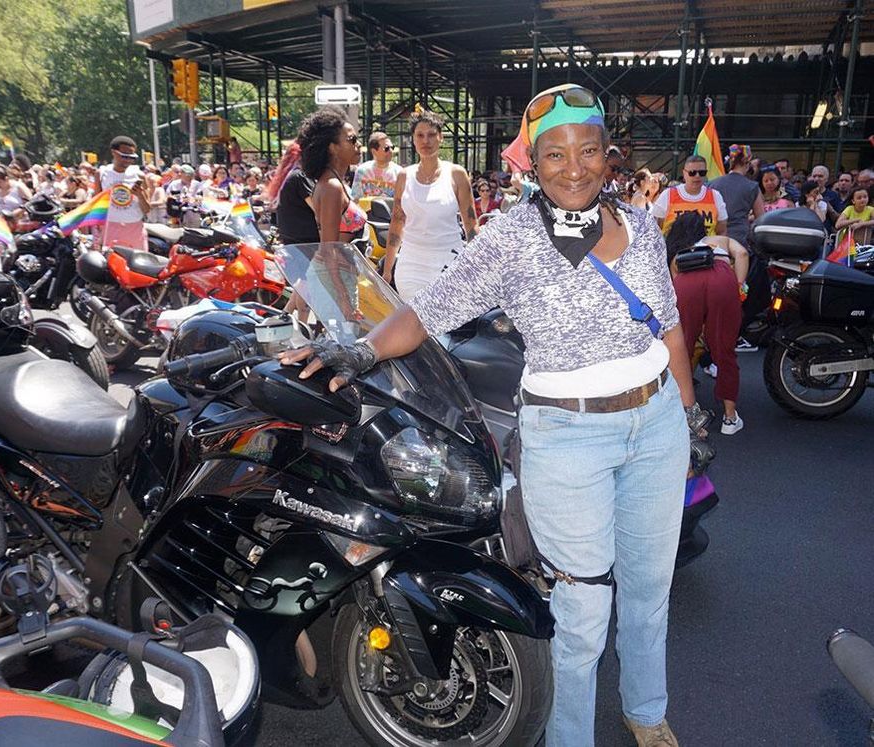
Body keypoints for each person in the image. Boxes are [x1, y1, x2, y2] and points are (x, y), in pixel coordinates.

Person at [281, 83, 700, 747]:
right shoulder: (512, 239)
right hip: (568, 436)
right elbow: (426, 311)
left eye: (586, 150)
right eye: (554, 154)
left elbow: (670, 329)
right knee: (584, 608)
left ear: (607, 154)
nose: (573, 166)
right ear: (533, 161)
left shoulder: (641, 225)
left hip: (656, 427)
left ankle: (645, 711)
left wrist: (689, 411)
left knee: (649, 591)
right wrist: (357, 347)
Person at [665, 211, 748, 435]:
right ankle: (730, 418)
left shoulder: (676, 252)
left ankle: (682, 413)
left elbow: (673, 288)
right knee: (724, 350)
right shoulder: (718, 240)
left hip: (686, 282)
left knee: (682, 346)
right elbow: (741, 254)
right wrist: (738, 284)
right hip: (722, 278)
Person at [383, 109, 477, 300]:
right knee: (416, 322)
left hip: (448, 261)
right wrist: (387, 270)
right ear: (413, 139)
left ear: (441, 137)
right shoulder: (403, 176)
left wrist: (479, 265)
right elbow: (397, 223)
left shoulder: (457, 174)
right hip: (411, 264)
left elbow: (471, 224)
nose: (426, 141)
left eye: (432, 135)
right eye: (420, 135)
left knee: (444, 325)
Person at [297, 106, 365, 243]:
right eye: (352, 139)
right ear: (332, 148)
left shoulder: (334, 182)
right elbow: (329, 248)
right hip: (333, 264)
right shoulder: (331, 187)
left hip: (343, 263)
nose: (358, 144)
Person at [652, 155, 728, 236]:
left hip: (706, 248)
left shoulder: (715, 196)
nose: (697, 176)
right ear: (684, 173)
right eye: (692, 173)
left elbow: (722, 231)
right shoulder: (668, 195)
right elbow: (655, 230)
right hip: (674, 247)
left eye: (702, 173)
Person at [98, 135, 150, 251]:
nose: (128, 160)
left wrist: (140, 195)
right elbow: (97, 203)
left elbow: (147, 209)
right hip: (111, 228)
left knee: (138, 267)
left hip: (134, 228)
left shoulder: (139, 175)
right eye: (124, 156)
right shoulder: (102, 174)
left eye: (131, 157)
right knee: (111, 266)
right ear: (114, 152)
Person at [709, 144, 764, 250]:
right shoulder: (752, 187)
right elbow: (760, 218)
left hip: (714, 237)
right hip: (740, 239)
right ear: (747, 163)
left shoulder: (712, 184)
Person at [267, 141, 319, 244]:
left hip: (291, 241)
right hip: (306, 242)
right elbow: (318, 207)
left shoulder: (287, 178)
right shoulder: (300, 177)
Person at [351, 131, 401, 200]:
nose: (390, 151)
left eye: (392, 147)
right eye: (386, 148)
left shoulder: (399, 172)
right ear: (374, 151)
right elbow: (355, 199)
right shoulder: (361, 171)